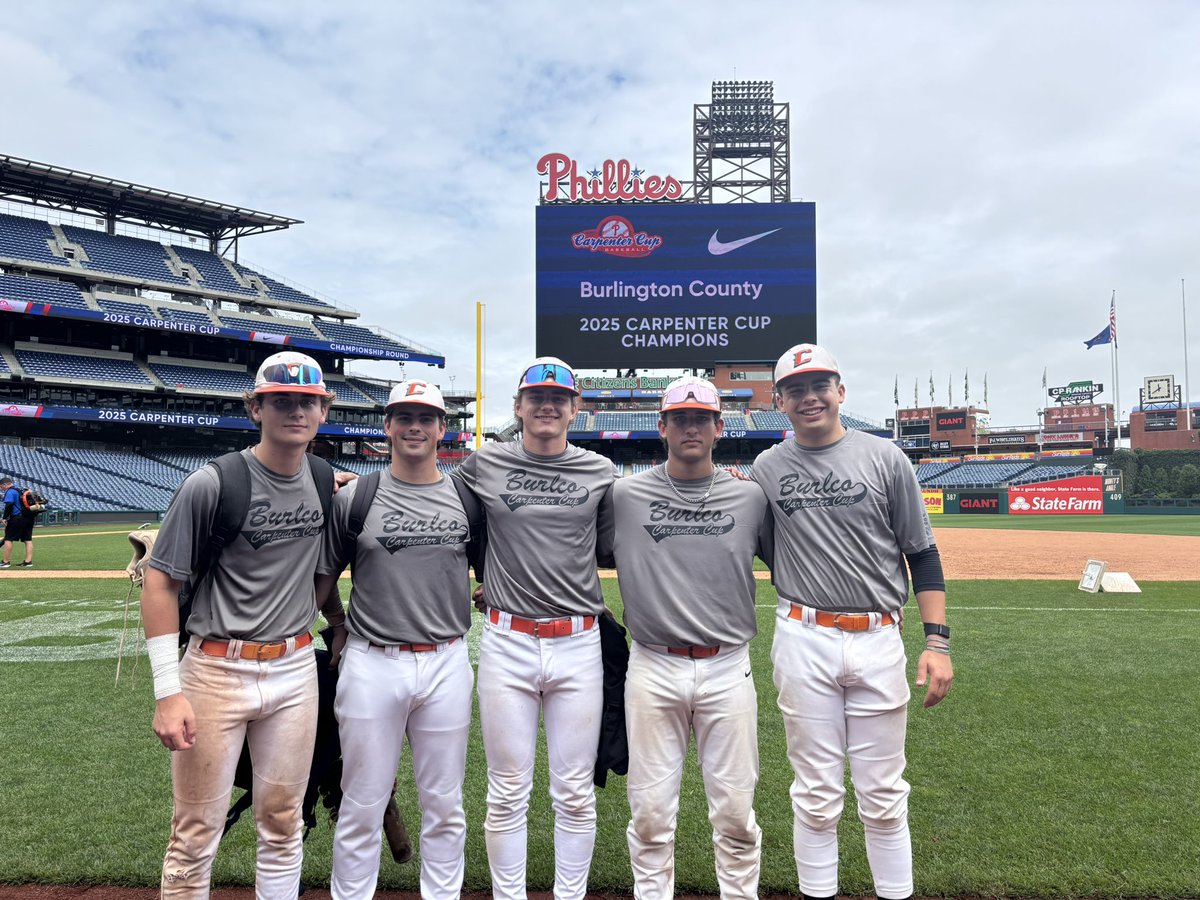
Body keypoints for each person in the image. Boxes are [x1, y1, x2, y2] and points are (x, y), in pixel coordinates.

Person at [752, 344, 953, 900]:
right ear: (779, 401)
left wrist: (937, 641)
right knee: (815, 795)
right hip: (803, 635)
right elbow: (760, 545)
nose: (809, 397)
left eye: (820, 385)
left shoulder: (886, 458)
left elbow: (923, 553)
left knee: (884, 795)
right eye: (795, 388)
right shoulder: (767, 469)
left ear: (840, 391)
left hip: (879, 637)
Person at [141, 350, 341, 898]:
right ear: (256, 407)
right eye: (281, 401)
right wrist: (167, 691)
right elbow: (161, 583)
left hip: (295, 669)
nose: (295, 411)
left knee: (283, 823)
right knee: (194, 832)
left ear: (323, 411)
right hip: (215, 669)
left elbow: (322, 568)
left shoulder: (324, 480)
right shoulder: (212, 484)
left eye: (307, 402)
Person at [596, 376, 773, 900]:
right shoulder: (624, 495)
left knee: (737, 813)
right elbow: (570, 545)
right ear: (663, 427)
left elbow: (798, 562)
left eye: (701, 418)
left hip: (727, 666)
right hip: (653, 666)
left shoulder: (750, 498)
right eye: (680, 418)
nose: (690, 427)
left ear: (720, 426)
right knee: (650, 814)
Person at [454, 356, 615, 900]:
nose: (547, 405)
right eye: (536, 397)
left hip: (577, 642)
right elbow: (426, 493)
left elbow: (619, 542)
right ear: (519, 406)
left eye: (558, 398)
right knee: (506, 791)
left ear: (575, 409)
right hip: (508, 639)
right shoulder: (483, 464)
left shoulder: (599, 471)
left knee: (573, 791)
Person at [315, 379, 481, 900]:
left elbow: (496, 568)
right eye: (404, 417)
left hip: (446, 660)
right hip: (372, 659)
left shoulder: (465, 497)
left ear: (441, 429)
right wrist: (339, 627)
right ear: (386, 426)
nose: (415, 426)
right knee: (361, 802)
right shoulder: (357, 497)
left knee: (445, 804)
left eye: (426, 417)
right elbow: (321, 581)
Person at [1, 476, 37, 568]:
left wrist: (5, 518)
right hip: (29, 516)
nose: (1, 489)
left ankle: (6, 562)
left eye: (1, 487)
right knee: (27, 539)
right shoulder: (21, 489)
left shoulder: (10, 491)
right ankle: (28, 561)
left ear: (5, 484)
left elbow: (9, 504)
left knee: (8, 539)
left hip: (17, 518)